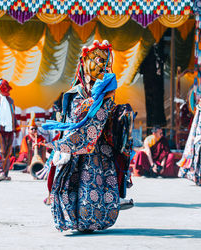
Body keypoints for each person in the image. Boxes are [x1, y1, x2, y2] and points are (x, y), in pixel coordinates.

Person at [42, 40, 134, 232]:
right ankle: (76, 220)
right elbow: (79, 114)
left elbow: (108, 118)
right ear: (84, 63)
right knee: (77, 183)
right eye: (97, 59)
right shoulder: (76, 92)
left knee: (100, 183)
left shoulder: (106, 89)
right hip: (78, 147)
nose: (101, 64)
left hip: (100, 147)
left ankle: (95, 220)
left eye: (104, 60)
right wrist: (102, 101)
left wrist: (119, 113)